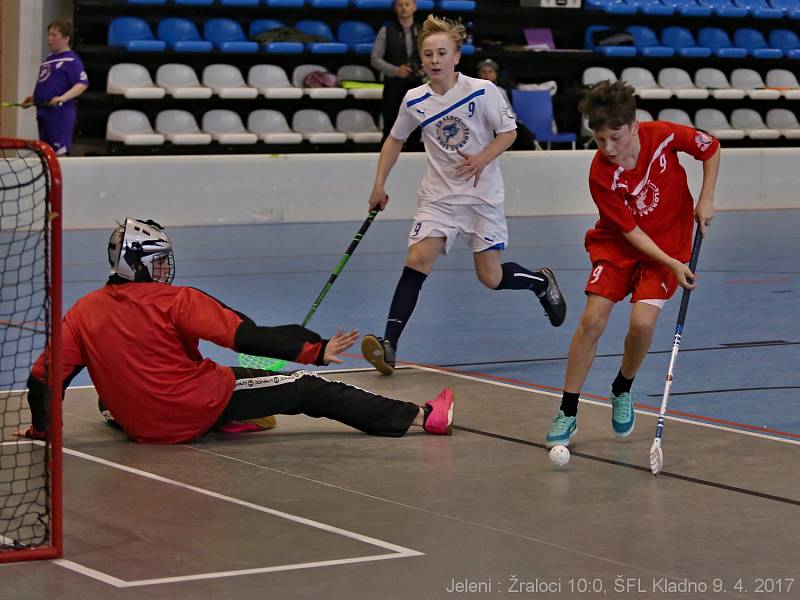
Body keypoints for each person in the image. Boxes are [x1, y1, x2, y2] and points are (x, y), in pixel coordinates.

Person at [19, 218, 455, 445]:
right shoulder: (178, 300)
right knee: (304, 388)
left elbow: (43, 378)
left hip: (140, 423)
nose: (165, 268)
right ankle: (421, 416)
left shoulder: (82, 310)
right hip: (194, 408)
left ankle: (224, 419)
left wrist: (43, 430)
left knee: (113, 387)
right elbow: (246, 337)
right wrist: (313, 350)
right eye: (158, 259)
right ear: (138, 262)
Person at [360, 15, 567, 376]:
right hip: (438, 197)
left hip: (481, 197)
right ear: (422, 59)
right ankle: (389, 343)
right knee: (417, 259)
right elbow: (394, 139)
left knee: (490, 277)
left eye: (442, 53)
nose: (435, 60)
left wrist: (482, 159)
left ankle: (540, 281)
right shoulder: (414, 99)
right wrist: (379, 184)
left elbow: (509, 132)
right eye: (428, 54)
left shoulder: (482, 91)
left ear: (457, 56)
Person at [544, 80, 720, 448]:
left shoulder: (664, 136)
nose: (608, 148)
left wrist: (705, 199)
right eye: (600, 139)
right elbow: (631, 232)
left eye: (616, 138)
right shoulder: (600, 174)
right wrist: (672, 264)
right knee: (593, 319)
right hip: (619, 245)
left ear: (634, 127)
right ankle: (568, 410)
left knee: (641, 325)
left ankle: (622, 388)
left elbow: (711, 148)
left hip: (670, 243)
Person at [22, 21, 88, 156]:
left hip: (59, 114)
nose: (50, 39)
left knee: (59, 154)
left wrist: (62, 98)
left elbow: (82, 84)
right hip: (43, 113)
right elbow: (48, 83)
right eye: (49, 35)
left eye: (54, 35)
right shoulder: (48, 59)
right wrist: (34, 98)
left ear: (66, 38)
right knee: (46, 153)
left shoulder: (71, 60)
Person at [371, 0, 424, 148]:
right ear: (395, 8)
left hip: (416, 84)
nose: (404, 8)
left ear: (414, 7)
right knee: (390, 125)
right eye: (400, 5)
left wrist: (421, 70)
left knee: (415, 126)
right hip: (393, 84)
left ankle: (412, 159)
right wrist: (395, 70)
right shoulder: (386, 29)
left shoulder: (421, 30)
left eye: (407, 4)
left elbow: (428, 57)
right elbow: (375, 59)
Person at [475, 58, 537, 151]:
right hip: (483, 125)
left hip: (500, 123)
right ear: (479, 74)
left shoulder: (500, 91)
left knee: (521, 132)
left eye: (490, 71)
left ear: (495, 74)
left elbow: (508, 110)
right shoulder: (473, 90)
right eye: (483, 71)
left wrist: (512, 122)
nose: (487, 74)